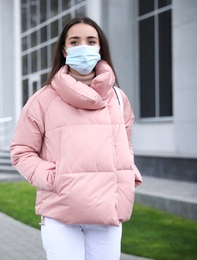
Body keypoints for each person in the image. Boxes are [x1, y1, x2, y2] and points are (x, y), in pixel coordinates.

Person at [10, 17, 142, 260]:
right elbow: (21, 151)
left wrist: (126, 173)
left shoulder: (118, 98)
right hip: (61, 214)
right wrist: (53, 178)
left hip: (107, 214)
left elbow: (125, 143)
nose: (84, 47)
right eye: (75, 41)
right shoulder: (43, 100)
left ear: (100, 48)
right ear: (64, 49)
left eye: (91, 41)